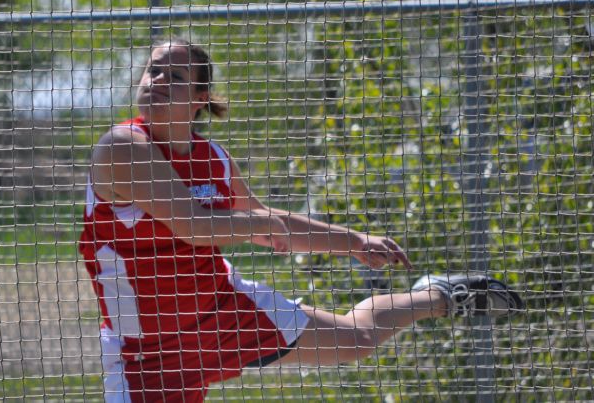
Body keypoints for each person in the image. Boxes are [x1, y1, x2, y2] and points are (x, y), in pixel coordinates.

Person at [78, 38, 523, 402]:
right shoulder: (122, 146)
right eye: (152, 70)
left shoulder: (213, 158)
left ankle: (443, 295)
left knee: (357, 340)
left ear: (199, 99)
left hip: (222, 312)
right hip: (148, 355)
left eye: (173, 76)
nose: (156, 80)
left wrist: (354, 241)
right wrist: (261, 225)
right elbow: (197, 226)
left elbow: (262, 217)